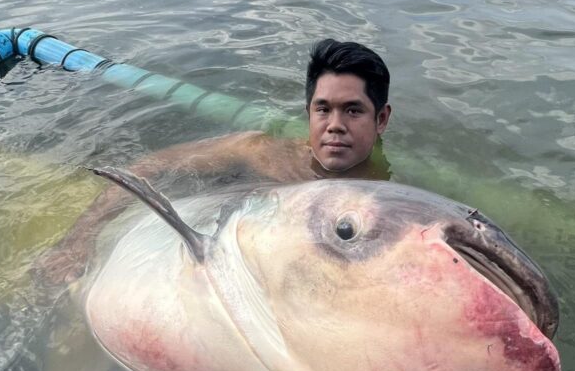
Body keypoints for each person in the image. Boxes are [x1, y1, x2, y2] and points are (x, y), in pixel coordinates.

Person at [37, 39, 392, 284]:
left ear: (381, 120)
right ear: (308, 114)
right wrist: (78, 239)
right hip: (193, 220)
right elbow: (149, 169)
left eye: (353, 111)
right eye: (323, 109)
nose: (334, 126)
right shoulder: (262, 153)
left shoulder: (379, 198)